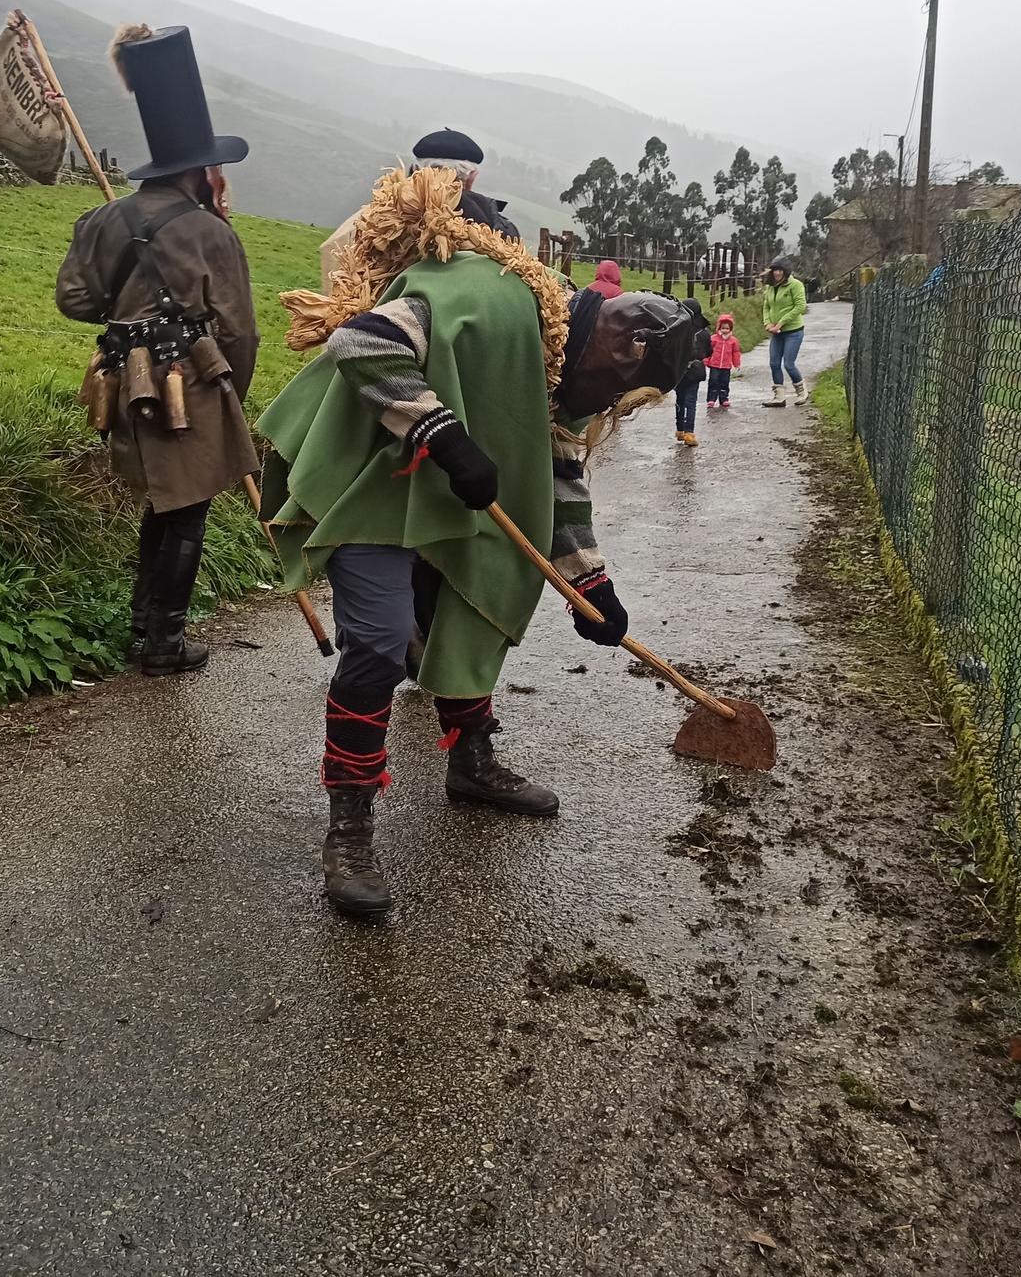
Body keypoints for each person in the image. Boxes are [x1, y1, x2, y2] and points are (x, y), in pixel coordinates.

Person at [260, 167, 699, 921]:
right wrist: (441, 433)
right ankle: (350, 826)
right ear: (623, 344)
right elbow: (360, 342)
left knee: (487, 593)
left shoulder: (563, 362)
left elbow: (554, 472)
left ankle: (471, 758)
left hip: (450, 498)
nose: (604, 409)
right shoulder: (490, 298)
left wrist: (591, 586)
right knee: (377, 641)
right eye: (618, 394)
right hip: (376, 482)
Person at [56, 25, 257, 676]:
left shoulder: (103, 220)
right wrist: (231, 396)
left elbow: (76, 303)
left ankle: (147, 628)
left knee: (163, 506)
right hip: (188, 388)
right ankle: (163, 643)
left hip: (125, 382)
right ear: (201, 173)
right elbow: (240, 334)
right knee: (187, 512)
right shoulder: (212, 234)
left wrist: (125, 290)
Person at [318, 127, 518, 287]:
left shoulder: (372, 220)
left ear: (414, 171)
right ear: (472, 178)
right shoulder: (498, 231)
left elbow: (333, 256)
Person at [760, 256, 809, 406]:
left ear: (786, 271)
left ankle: (801, 391)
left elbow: (800, 306)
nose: (777, 273)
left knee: (789, 364)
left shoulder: (795, 285)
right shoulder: (770, 287)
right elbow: (767, 306)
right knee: (774, 363)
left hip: (793, 331)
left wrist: (781, 323)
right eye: (775, 270)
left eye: (780, 270)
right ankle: (779, 396)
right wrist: (768, 323)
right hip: (776, 332)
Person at [671, 296, 709, 446]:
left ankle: (679, 430)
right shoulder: (704, 332)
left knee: (679, 400)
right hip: (696, 370)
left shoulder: (676, 330)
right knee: (690, 402)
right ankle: (689, 433)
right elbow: (709, 351)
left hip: (679, 371)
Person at [705, 311, 743, 411]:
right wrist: (706, 360)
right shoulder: (714, 339)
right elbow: (708, 350)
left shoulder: (733, 341)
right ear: (719, 328)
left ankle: (724, 398)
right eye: (723, 328)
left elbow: (736, 352)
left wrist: (736, 363)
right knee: (713, 381)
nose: (725, 330)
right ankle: (711, 399)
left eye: (727, 328)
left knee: (724, 383)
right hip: (715, 365)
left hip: (726, 366)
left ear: (730, 329)